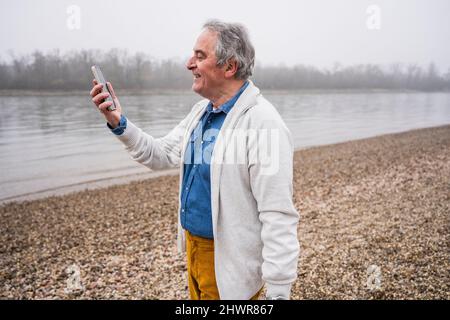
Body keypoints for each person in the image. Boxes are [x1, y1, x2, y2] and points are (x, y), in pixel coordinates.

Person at [90, 19, 299, 300]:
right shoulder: (201, 112)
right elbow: (160, 154)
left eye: (200, 56)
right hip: (194, 250)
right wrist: (118, 122)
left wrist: (279, 292)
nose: (189, 63)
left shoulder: (264, 124)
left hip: (231, 261)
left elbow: (278, 215)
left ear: (229, 66)